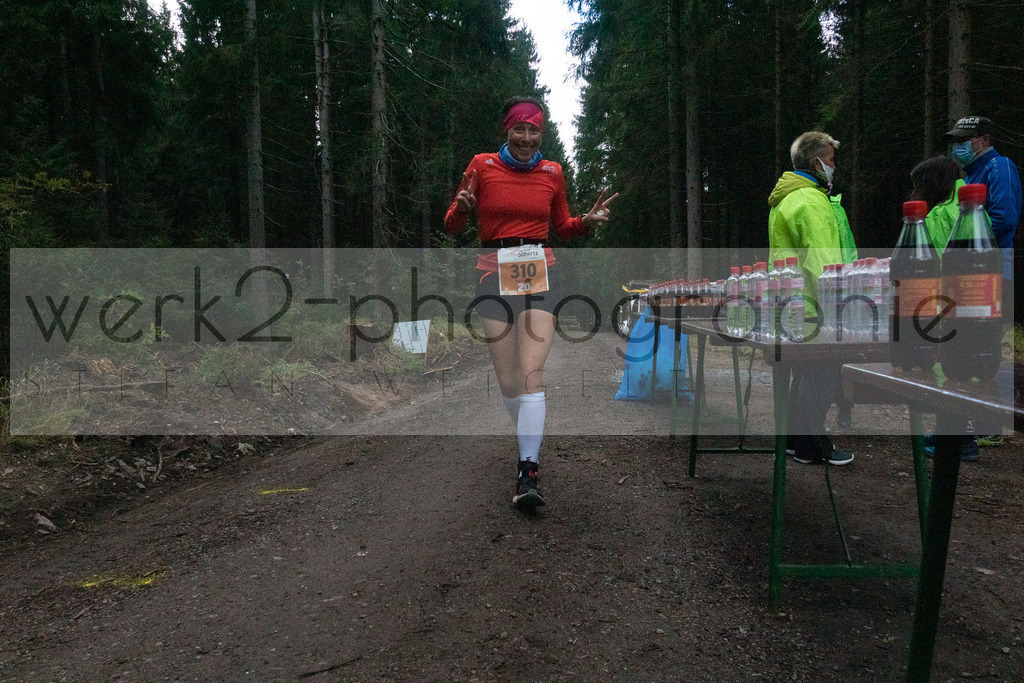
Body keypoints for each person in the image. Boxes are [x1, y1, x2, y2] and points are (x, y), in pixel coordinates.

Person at [444, 96, 617, 511]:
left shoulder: (552, 172)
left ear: (542, 132)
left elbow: (563, 227)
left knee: (531, 373)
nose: (525, 137)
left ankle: (528, 470)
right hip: (492, 272)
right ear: (507, 130)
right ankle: (526, 433)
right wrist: (463, 210)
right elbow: (452, 225)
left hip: (542, 270)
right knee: (508, 383)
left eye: (533, 129)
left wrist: (586, 224)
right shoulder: (482, 165)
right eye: (518, 129)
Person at [768, 131, 857, 465]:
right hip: (814, 305)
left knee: (803, 374)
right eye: (830, 160)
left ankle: (795, 439)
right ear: (815, 162)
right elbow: (823, 263)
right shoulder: (809, 200)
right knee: (823, 374)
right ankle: (812, 444)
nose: (833, 166)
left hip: (792, 304)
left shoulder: (786, 198)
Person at [943, 116, 1022, 451]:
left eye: (965, 139)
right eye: (955, 140)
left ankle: (991, 422)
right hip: (968, 274)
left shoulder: (999, 167)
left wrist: (971, 245)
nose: (958, 146)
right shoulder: (972, 174)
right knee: (968, 341)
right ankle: (974, 417)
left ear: (984, 140)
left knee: (988, 341)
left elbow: (1004, 218)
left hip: (993, 269)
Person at [910, 155, 964, 257]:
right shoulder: (967, 208)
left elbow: (937, 266)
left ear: (931, 188)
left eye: (917, 188)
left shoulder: (939, 216)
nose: (913, 194)